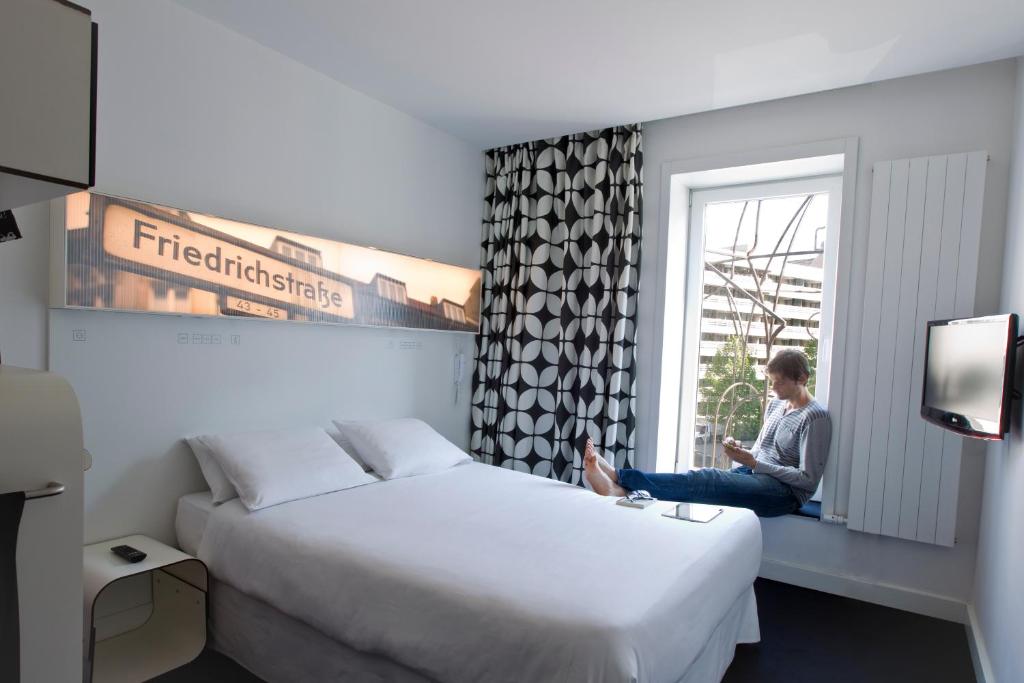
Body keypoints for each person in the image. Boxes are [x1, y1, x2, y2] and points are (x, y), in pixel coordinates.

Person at [584, 348, 832, 517]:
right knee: (702, 478)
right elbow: (762, 448)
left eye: (780, 382)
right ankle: (622, 488)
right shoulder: (777, 403)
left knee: (709, 479)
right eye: (773, 380)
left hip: (784, 494)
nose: (774, 387)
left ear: (802, 378)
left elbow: (808, 480)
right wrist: (742, 452)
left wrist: (755, 462)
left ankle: (621, 481)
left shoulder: (815, 417)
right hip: (757, 473)